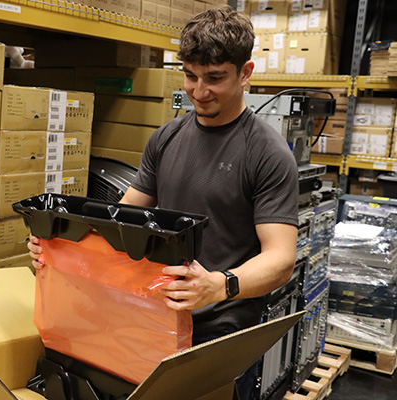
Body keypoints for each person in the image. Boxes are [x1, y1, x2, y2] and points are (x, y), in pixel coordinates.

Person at [28, 6, 299, 399]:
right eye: (190, 76)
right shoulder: (166, 138)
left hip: (221, 328)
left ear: (246, 73)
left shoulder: (267, 153)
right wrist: (59, 248)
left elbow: (281, 259)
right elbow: (121, 220)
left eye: (215, 78)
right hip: (156, 317)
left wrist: (219, 286)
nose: (199, 91)